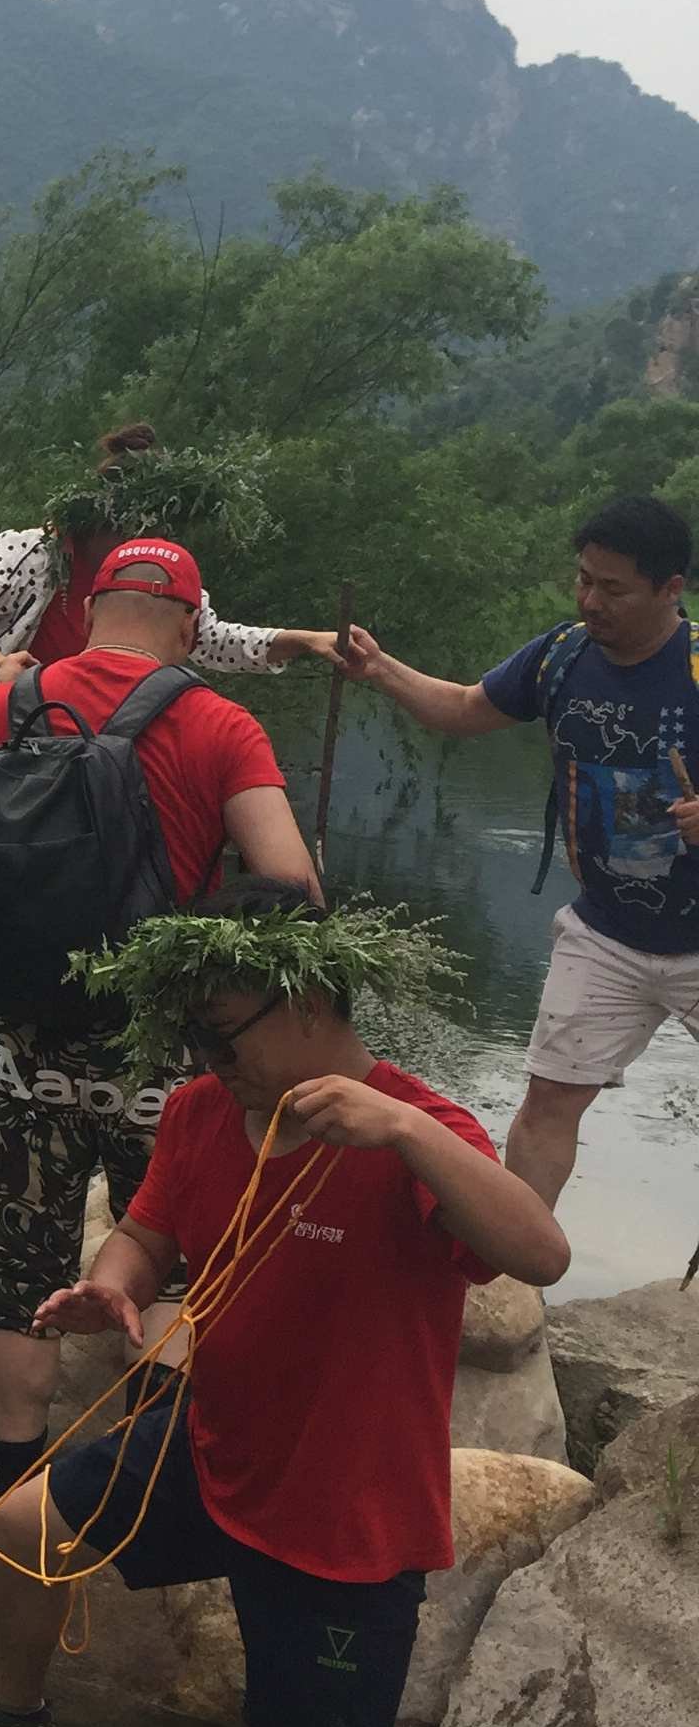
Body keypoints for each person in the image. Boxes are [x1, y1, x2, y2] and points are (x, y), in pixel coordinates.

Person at [0, 879, 571, 1727]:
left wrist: (403, 1132)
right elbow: (147, 1231)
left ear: (307, 1001)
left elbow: (541, 1253)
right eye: (191, 1038)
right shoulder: (204, 1112)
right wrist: (115, 1286)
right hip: (215, 1444)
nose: (208, 1059)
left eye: (221, 1034)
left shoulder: (420, 1133)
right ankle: (13, 1706)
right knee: (23, 1526)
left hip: (344, 1520)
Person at [0, 536, 321, 1497]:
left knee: (20, 1264)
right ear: (190, 626)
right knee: (170, 1255)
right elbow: (290, 888)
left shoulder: (17, 700)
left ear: (89, 611)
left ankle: (16, 1487)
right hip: (161, 1044)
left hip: (21, 1037)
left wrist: (2, 682)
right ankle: (147, 1483)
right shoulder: (221, 723)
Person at [0, 430, 343, 1133]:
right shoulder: (31, 553)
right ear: (97, 513)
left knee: (11, 894)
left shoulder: (154, 572)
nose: (144, 541)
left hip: (103, 742)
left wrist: (299, 641)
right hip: (6, 734)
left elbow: (208, 634)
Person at [338, 492, 699, 1211]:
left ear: (671, 589)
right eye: (584, 579)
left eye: (613, 589)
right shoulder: (563, 656)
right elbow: (465, 709)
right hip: (607, 933)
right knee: (547, 1104)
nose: (590, 601)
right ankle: (511, 1254)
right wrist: (380, 669)